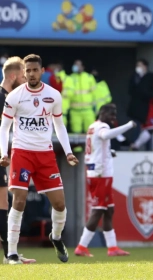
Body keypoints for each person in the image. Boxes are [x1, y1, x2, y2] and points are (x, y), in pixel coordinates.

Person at [0, 54, 79, 265]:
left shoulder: (53, 95)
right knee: (19, 201)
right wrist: (4, 153)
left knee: (60, 204)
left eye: (35, 70)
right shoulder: (14, 96)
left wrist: (68, 151)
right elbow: (4, 126)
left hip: (45, 155)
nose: (32, 74)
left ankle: (56, 237)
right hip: (22, 152)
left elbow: (59, 126)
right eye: (28, 71)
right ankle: (13, 254)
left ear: (42, 71)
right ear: (24, 73)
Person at [75, 103, 134, 257]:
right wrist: (128, 125)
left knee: (109, 209)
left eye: (114, 115)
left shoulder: (92, 126)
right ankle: (82, 246)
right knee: (99, 209)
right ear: (103, 113)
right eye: (111, 115)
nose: (113, 118)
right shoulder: (103, 127)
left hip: (96, 171)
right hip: (101, 174)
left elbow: (97, 146)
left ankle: (112, 247)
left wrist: (109, 152)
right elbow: (105, 136)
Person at [0, 56, 36, 264]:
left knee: (4, 203)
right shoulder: (3, 97)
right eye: (23, 75)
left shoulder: (8, 97)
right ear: (13, 76)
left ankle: (9, 255)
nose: (25, 79)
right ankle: (9, 255)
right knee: (3, 204)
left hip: (2, 156)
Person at [127, 59, 153, 149]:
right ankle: (134, 148)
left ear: (145, 66)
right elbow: (130, 91)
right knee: (135, 129)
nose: (138, 67)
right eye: (137, 65)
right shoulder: (134, 77)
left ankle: (148, 149)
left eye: (140, 65)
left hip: (147, 108)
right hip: (136, 109)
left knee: (148, 129)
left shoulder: (150, 77)